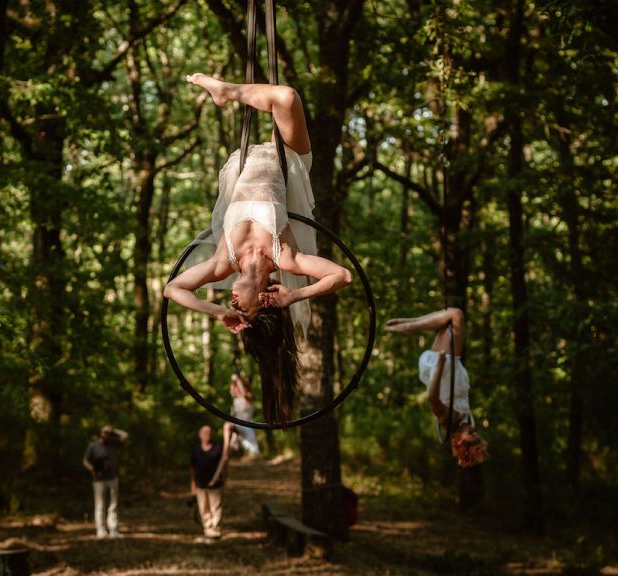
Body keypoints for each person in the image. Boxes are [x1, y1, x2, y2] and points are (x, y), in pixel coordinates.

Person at [164, 74, 352, 427]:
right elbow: (342, 275)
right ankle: (228, 92)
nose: (232, 301)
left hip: (250, 159)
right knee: (284, 96)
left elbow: (171, 289)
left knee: (279, 96)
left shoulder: (224, 261)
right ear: (264, 300)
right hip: (289, 163)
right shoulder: (285, 256)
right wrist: (294, 298)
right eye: (241, 308)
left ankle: (229, 92)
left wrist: (215, 311)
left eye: (233, 307)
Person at [385, 307, 488, 467]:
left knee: (456, 315)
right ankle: (409, 324)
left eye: (471, 435)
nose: (474, 431)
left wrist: (439, 366)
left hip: (443, 365)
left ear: (459, 440)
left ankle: (409, 327)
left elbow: (432, 397)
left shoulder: (449, 420)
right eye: (477, 435)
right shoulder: (465, 423)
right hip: (453, 364)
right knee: (449, 318)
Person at [83, 425, 128, 538]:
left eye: (108, 433)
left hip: (112, 478)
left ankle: (113, 529)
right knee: (100, 505)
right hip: (99, 480)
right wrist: (92, 470)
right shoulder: (94, 446)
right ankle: (101, 529)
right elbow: (85, 461)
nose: (106, 434)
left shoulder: (113, 444)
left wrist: (114, 430)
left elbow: (125, 435)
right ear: (100, 433)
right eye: (104, 432)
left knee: (113, 504)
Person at [190, 425, 224, 539]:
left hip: (216, 484)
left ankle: (216, 529)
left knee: (216, 507)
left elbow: (224, 464)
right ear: (200, 435)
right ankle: (208, 528)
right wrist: (193, 484)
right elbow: (192, 467)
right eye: (204, 432)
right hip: (200, 484)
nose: (207, 435)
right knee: (203, 507)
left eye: (209, 432)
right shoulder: (196, 450)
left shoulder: (218, 448)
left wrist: (221, 477)